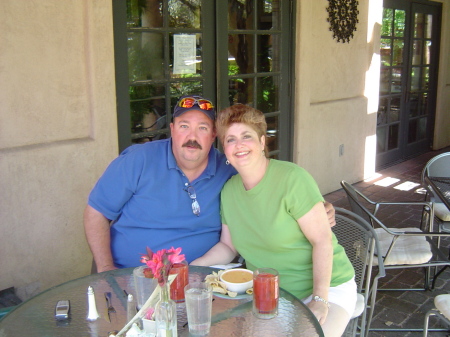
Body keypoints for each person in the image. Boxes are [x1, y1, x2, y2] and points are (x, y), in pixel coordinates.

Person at [84, 95, 337, 273]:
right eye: (184, 126)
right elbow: (96, 213)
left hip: (204, 279)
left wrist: (315, 206)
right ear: (172, 130)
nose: (192, 137)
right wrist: (106, 269)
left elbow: (271, 186)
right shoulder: (138, 160)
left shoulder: (228, 169)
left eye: (203, 128)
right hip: (132, 276)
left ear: (214, 136)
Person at [191, 104, 356, 337]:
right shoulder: (229, 191)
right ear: (225, 150)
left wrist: (320, 299)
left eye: (246, 136)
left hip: (327, 288)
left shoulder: (292, 178)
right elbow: (228, 247)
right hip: (269, 293)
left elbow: (322, 240)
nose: (239, 145)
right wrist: (192, 268)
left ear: (261, 143)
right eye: (230, 139)